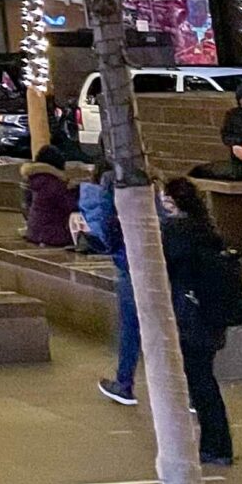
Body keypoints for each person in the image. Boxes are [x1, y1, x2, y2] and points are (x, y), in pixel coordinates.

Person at [161, 175, 242, 467]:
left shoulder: (176, 232)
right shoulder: (206, 229)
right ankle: (217, 444)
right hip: (211, 315)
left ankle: (215, 446)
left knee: (200, 383)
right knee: (203, 379)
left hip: (190, 316)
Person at [84, 163, 143, 407]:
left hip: (130, 264)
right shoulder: (145, 177)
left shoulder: (110, 184)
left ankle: (124, 383)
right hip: (164, 265)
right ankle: (192, 392)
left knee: (130, 327)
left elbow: (105, 232)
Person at [21, 142, 78, 248]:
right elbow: (70, 206)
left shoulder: (33, 179)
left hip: (33, 232)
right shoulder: (52, 183)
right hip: (51, 235)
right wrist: (74, 191)